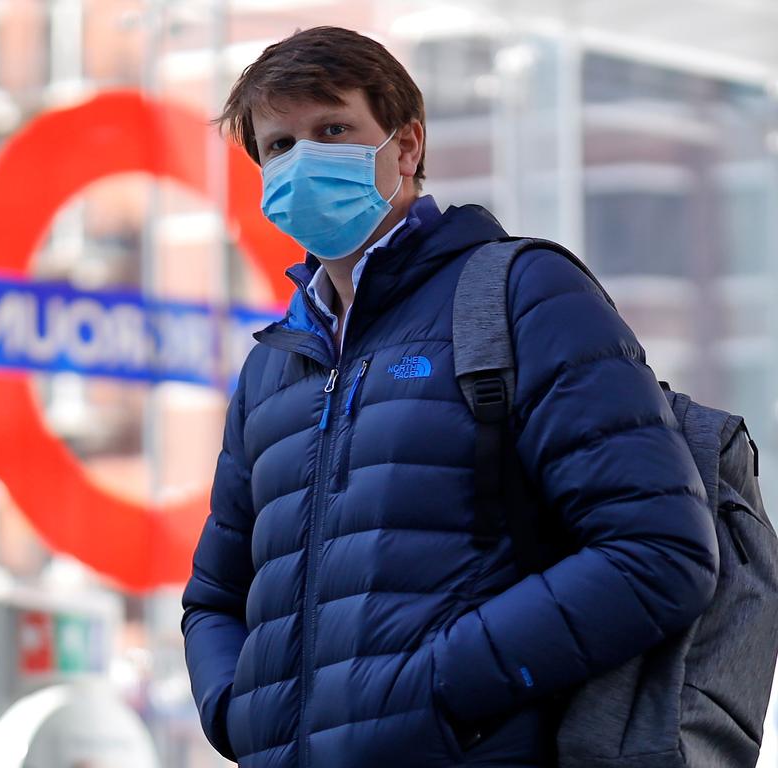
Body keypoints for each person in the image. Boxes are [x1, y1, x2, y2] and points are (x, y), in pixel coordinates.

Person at [181, 26, 719, 768]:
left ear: (406, 147)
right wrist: (235, 717)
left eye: (333, 130)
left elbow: (659, 551)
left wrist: (438, 689)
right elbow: (212, 599)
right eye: (280, 146)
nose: (303, 161)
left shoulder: (520, 296)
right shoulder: (275, 367)